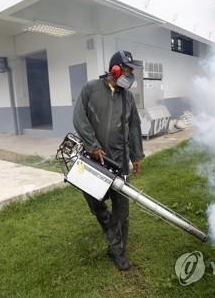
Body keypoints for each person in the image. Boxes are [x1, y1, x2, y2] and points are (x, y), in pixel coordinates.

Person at [73, 50, 145, 271]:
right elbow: (79, 117)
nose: (129, 74)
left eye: (131, 71)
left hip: (119, 162)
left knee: (122, 211)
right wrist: (92, 145)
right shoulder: (91, 88)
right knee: (96, 204)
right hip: (93, 161)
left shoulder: (128, 97)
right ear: (114, 69)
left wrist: (136, 156)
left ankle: (117, 250)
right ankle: (110, 231)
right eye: (126, 69)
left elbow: (134, 126)